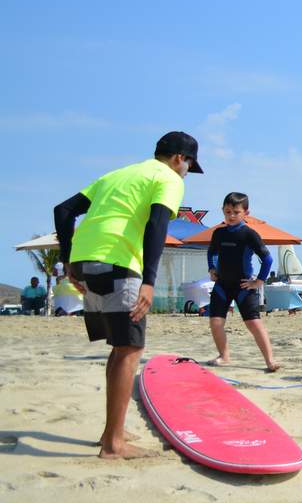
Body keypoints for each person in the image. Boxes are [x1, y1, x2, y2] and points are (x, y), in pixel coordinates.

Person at [53, 131, 200, 460]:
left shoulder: (117, 175)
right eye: (189, 164)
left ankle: (111, 431)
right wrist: (149, 281)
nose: (187, 171)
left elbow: (63, 210)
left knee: (120, 348)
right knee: (131, 349)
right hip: (118, 263)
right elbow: (157, 225)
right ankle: (113, 444)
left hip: (86, 261)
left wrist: (69, 260)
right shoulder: (168, 178)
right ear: (179, 158)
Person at [207, 193, 279, 372]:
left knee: (253, 323)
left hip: (243, 287)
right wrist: (212, 268)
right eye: (227, 212)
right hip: (222, 285)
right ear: (222, 210)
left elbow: (267, 259)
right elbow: (212, 252)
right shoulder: (219, 233)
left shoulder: (249, 234)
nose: (231, 216)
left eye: (236, 212)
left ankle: (270, 361)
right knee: (215, 322)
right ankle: (224, 356)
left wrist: (259, 281)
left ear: (246, 213)